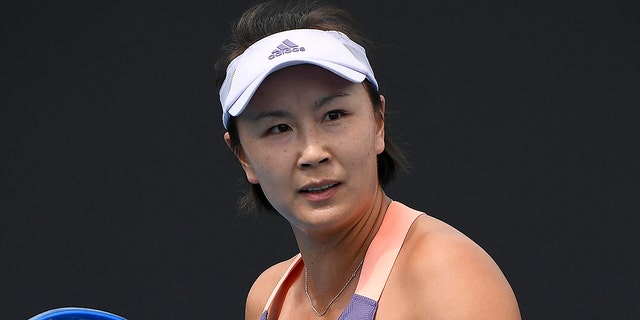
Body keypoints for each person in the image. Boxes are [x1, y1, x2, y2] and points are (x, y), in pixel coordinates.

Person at [214, 0, 522, 319]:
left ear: (378, 123)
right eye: (279, 128)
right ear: (243, 156)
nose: (312, 152)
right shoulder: (267, 297)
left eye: (334, 115)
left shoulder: (448, 277)